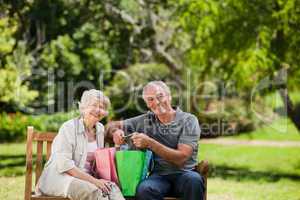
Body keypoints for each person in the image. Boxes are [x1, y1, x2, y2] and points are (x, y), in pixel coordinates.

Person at [107, 81, 205, 200]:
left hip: (185, 174)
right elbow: (111, 125)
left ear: (169, 96)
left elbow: (182, 158)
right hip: (159, 177)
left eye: (160, 96)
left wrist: (150, 143)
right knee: (145, 189)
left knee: (194, 181)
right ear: (147, 104)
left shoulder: (189, 120)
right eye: (150, 99)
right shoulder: (146, 120)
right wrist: (115, 131)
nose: (156, 102)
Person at [36, 89, 125, 200]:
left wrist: (117, 146)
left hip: (87, 180)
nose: (98, 110)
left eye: (102, 107)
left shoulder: (100, 129)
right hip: (62, 179)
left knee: (112, 189)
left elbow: (101, 161)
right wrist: (95, 181)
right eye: (94, 105)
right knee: (97, 193)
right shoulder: (69, 127)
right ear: (83, 107)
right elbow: (65, 165)